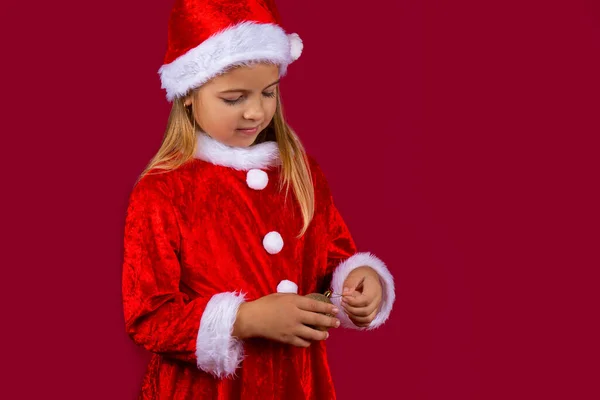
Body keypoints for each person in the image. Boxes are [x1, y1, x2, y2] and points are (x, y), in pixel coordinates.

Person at [122, 0, 396, 398]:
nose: (256, 112)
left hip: (297, 384)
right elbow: (148, 316)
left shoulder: (300, 172)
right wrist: (243, 319)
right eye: (234, 98)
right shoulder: (163, 190)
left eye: (268, 92)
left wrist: (359, 282)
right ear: (188, 93)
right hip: (207, 391)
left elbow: (334, 258)